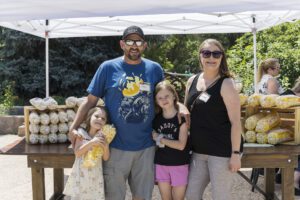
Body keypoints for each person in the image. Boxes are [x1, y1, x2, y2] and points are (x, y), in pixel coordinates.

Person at [69, 25, 189, 200]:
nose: (134, 45)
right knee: (114, 196)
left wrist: (183, 108)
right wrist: (73, 128)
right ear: (122, 44)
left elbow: (166, 95)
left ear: (144, 45)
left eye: (138, 41)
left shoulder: (154, 68)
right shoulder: (107, 68)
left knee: (141, 196)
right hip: (115, 146)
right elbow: (90, 101)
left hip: (146, 147)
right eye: (130, 41)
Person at [184, 39, 242, 200]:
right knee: (191, 195)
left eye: (216, 54)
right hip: (198, 151)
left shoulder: (227, 84)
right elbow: (186, 112)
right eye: (207, 53)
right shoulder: (192, 81)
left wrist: (235, 153)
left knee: (220, 196)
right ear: (200, 56)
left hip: (222, 151)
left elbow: (236, 122)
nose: (211, 58)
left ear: (222, 57)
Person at [152, 81, 190, 200]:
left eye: (167, 96)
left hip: (179, 164)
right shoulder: (156, 119)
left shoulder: (181, 118)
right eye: (160, 98)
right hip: (161, 164)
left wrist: (160, 138)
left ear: (174, 95)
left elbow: (181, 145)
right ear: (156, 101)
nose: (164, 100)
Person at [64, 106, 109, 200]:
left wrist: (105, 146)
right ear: (89, 118)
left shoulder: (102, 137)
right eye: (96, 116)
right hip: (81, 175)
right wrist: (92, 142)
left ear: (105, 123)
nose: (100, 119)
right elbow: (77, 153)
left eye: (103, 119)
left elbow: (105, 158)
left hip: (95, 175)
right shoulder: (81, 133)